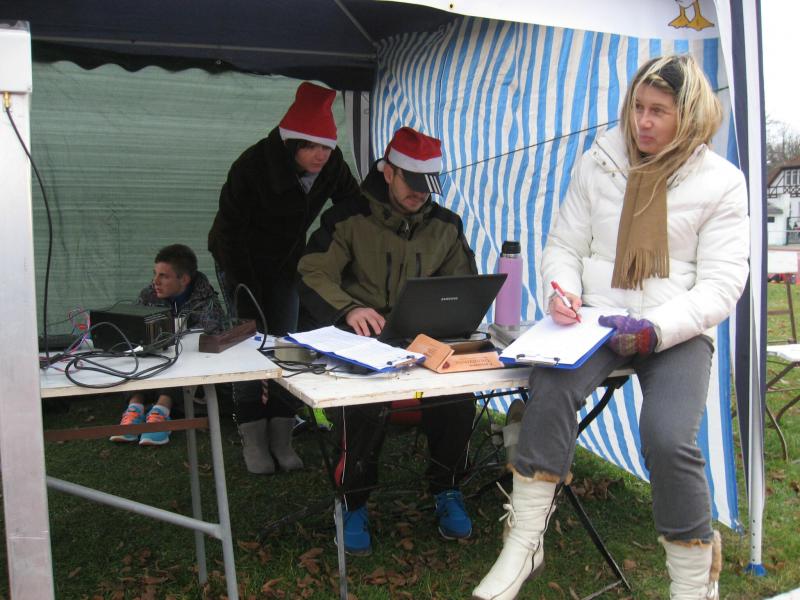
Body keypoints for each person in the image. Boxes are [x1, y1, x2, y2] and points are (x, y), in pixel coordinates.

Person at [472, 54, 749, 600]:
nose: (642, 122)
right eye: (637, 107)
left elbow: (720, 285)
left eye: (658, 111)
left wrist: (653, 330)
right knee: (549, 386)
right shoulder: (599, 160)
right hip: (596, 317)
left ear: (689, 114)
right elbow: (565, 245)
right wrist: (562, 290)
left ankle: (693, 582)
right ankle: (523, 545)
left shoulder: (721, 182)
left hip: (675, 328)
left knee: (668, 438)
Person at [297, 126, 479, 555]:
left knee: (458, 395)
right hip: (362, 339)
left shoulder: (445, 225)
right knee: (364, 404)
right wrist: (348, 308)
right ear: (388, 172)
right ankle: (353, 502)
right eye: (411, 183)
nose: (420, 194)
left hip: (423, 339)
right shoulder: (346, 218)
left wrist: (448, 317)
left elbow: (463, 282)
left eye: (427, 185)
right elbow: (312, 270)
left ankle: (447, 488)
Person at [208, 81, 361, 474]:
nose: (321, 155)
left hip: (288, 262)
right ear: (291, 144)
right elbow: (230, 232)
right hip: (238, 258)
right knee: (250, 342)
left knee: (287, 343)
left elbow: (352, 206)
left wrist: (325, 247)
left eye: (327, 147)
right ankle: (253, 437)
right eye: (311, 147)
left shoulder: (332, 166)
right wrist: (246, 292)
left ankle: (281, 433)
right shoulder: (252, 165)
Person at [109, 244, 225, 446]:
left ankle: (161, 411)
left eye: (163, 276)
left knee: (182, 360)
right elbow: (133, 331)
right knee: (135, 354)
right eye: (155, 274)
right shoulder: (148, 295)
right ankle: (134, 408)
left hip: (184, 364)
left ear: (184, 279)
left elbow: (214, 332)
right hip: (152, 360)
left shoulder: (205, 299)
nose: (155, 281)